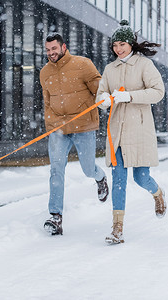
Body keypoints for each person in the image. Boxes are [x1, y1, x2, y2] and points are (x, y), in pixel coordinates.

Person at [96, 20, 167, 245]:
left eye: (122, 44)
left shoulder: (144, 65)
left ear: (131, 44)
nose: (118, 49)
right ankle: (118, 228)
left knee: (140, 177)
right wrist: (104, 101)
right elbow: (100, 96)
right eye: (115, 45)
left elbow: (158, 92)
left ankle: (157, 193)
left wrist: (131, 96)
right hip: (116, 131)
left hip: (139, 129)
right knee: (118, 179)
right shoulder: (109, 69)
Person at [39, 33, 108, 236]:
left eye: (54, 49)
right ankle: (56, 217)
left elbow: (100, 89)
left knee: (87, 168)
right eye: (48, 50)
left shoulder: (83, 64)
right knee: (56, 171)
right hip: (58, 129)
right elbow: (47, 101)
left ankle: (100, 177)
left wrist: (105, 98)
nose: (51, 53)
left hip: (84, 126)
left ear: (63, 47)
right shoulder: (44, 73)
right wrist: (52, 124)